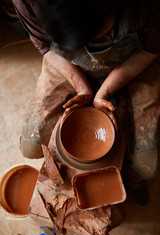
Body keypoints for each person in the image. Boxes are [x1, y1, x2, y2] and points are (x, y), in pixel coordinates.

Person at [12, 0, 160, 202]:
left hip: (133, 61)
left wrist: (104, 92)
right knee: (31, 147)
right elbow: (46, 47)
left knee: (145, 165)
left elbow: (151, 49)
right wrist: (82, 87)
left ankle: (127, 175)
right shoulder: (26, 1)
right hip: (67, 63)